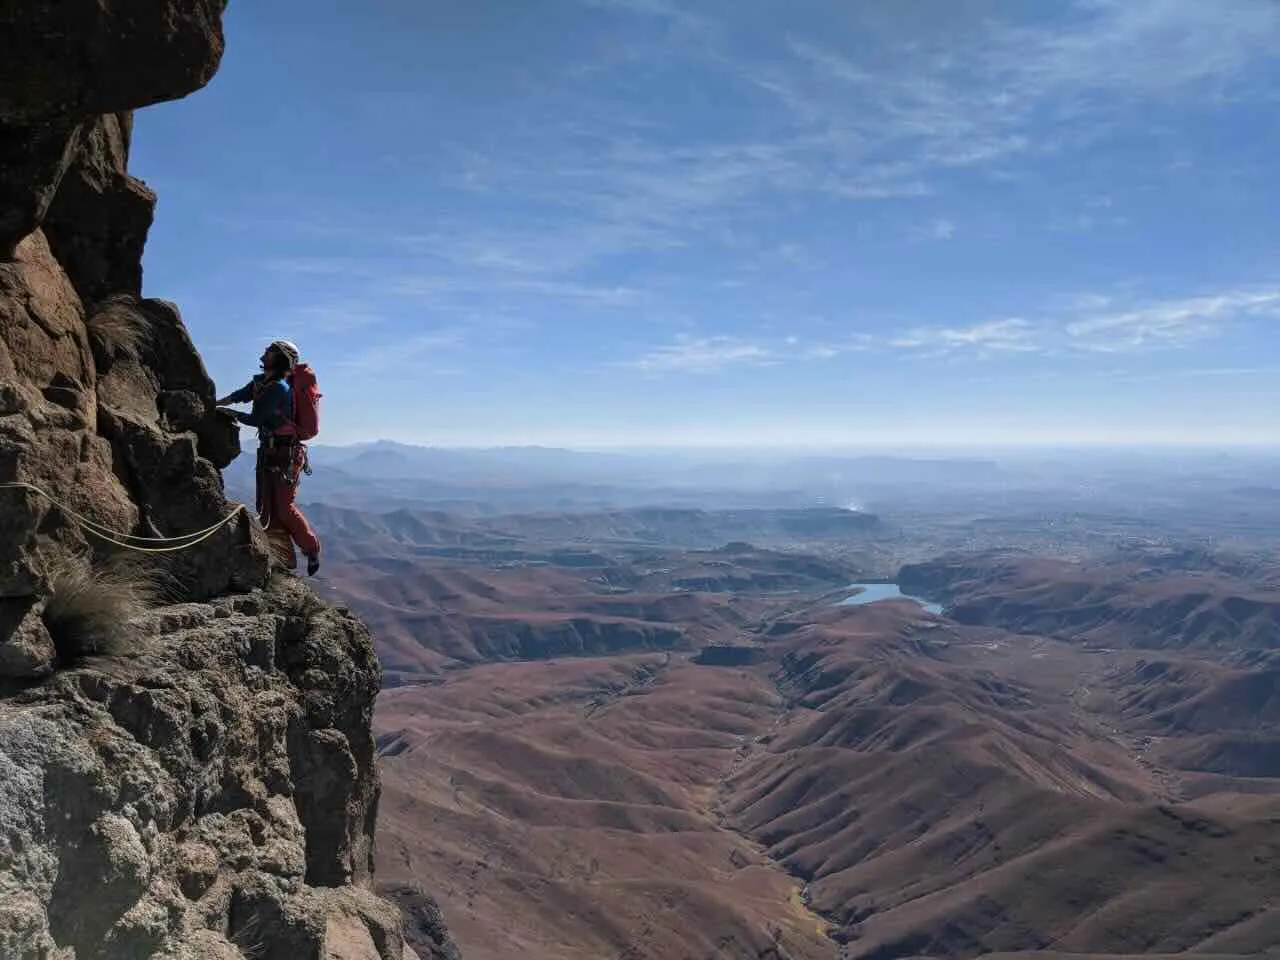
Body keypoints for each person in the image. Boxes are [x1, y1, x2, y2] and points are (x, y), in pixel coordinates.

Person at [216, 339, 322, 576]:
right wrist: (217, 404)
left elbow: (257, 419)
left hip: (285, 453)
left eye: (270, 351)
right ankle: (282, 560)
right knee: (266, 507)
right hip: (271, 451)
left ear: (280, 357)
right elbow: (240, 395)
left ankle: (311, 548)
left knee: (283, 508)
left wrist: (228, 412)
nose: (264, 353)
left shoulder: (279, 388)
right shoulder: (261, 382)